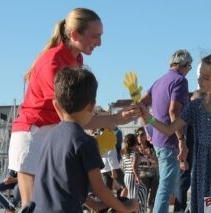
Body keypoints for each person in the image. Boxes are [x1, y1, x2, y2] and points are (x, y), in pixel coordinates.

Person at [8, 7, 139, 207]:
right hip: (33, 135)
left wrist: (117, 119)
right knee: (32, 206)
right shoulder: (53, 62)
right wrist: (113, 119)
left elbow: (76, 115)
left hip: (51, 132)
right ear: (74, 34)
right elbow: (74, 115)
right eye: (95, 36)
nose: (100, 43)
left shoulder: (76, 59)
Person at [140, 52, 211, 212]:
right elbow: (169, 129)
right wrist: (148, 118)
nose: (199, 80)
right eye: (200, 75)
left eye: (206, 77)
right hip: (204, 171)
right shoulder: (195, 106)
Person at [32, 67, 138, 213]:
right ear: (91, 105)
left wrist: (95, 205)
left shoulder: (49, 137)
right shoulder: (85, 141)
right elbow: (100, 189)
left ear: (56, 105)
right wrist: (125, 208)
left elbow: (60, 185)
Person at [139, 49, 192, 212]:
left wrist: (148, 129)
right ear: (185, 66)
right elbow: (173, 112)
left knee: (164, 186)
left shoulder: (159, 81)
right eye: (189, 67)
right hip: (170, 141)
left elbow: (140, 104)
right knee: (165, 188)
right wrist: (182, 141)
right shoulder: (180, 81)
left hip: (159, 140)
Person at [173, 90, 203, 213]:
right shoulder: (186, 116)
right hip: (187, 155)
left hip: (200, 155)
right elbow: (178, 136)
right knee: (182, 184)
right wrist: (182, 160)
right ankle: (180, 210)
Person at [121, 133, 147, 213]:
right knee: (133, 197)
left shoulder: (125, 154)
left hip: (127, 175)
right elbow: (134, 167)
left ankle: (140, 210)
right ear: (135, 142)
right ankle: (137, 210)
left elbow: (123, 166)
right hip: (133, 176)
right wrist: (138, 177)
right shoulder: (135, 154)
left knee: (142, 190)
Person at [136, 127, 159, 213]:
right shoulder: (135, 150)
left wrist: (148, 155)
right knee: (143, 193)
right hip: (142, 175)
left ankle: (151, 208)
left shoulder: (152, 149)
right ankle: (143, 208)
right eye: (137, 134)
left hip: (153, 175)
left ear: (146, 136)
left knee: (156, 181)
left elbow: (157, 163)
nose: (139, 137)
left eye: (142, 134)